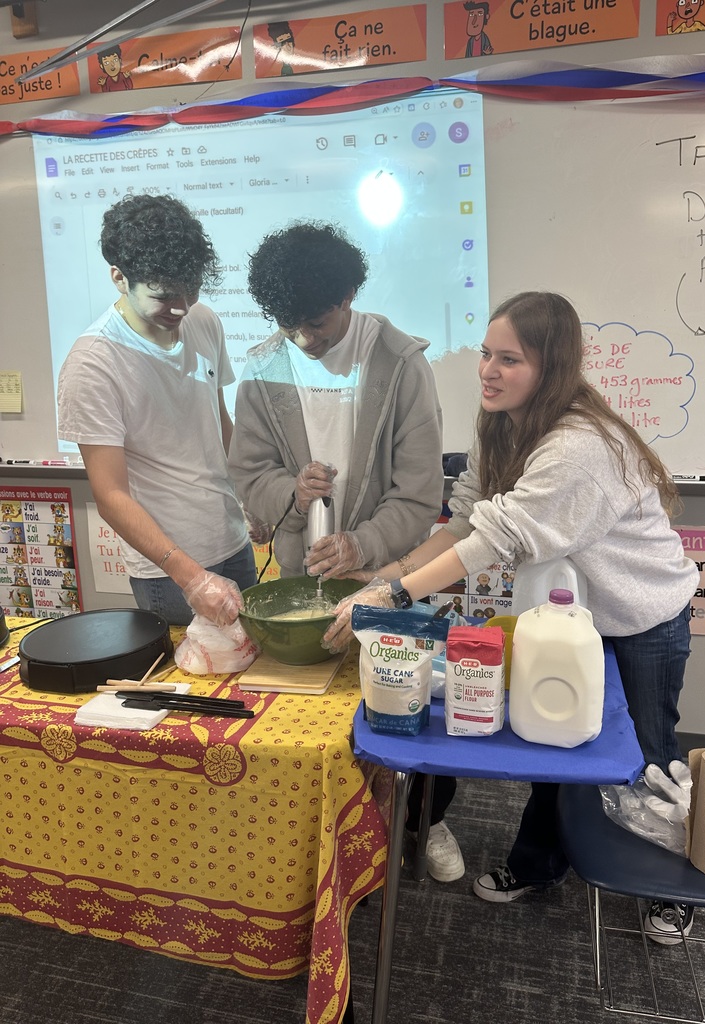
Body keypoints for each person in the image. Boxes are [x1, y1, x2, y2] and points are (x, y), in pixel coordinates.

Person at [324, 290, 699, 942]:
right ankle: (539, 864)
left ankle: (668, 890)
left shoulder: (581, 445)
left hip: (641, 619)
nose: (489, 372)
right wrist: (386, 580)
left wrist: (394, 595)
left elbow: (495, 541)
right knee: (557, 742)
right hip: (568, 623)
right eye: (486, 355)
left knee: (649, 758)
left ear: (551, 368)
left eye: (511, 360)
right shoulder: (504, 421)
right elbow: (469, 519)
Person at [228, 221, 464, 882]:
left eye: (317, 322)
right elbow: (248, 474)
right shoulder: (263, 367)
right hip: (307, 581)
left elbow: (419, 494)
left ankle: (429, 817)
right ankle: (324, 843)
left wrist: (363, 546)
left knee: (409, 705)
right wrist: (291, 492)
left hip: (391, 574)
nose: (304, 337)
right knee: (315, 721)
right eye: (289, 323)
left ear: (351, 293)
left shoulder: (398, 361)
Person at [57, 193, 255, 627]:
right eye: (164, 296)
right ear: (119, 278)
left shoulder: (202, 321)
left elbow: (219, 423)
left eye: (191, 290)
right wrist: (192, 578)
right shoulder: (93, 363)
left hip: (234, 544)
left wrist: (252, 496)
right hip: (169, 573)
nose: (181, 306)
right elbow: (110, 496)